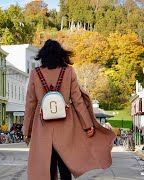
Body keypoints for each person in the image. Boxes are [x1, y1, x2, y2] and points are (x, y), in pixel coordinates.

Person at [23, 40, 116, 180]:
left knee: (47, 166)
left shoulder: (35, 73)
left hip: (42, 126)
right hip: (65, 125)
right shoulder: (68, 71)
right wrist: (88, 124)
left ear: (42, 56)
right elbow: (77, 101)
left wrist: (26, 131)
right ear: (61, 54)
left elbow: (30, 104)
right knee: (65, 163)